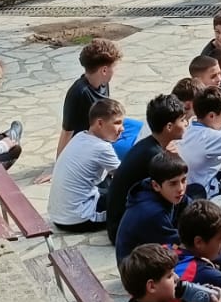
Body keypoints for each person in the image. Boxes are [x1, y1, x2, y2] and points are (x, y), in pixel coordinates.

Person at [105, 93, 189, 243]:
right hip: (124, 228)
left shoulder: (149, 145)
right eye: (182, 120)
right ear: (169, 127)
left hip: (117, 223)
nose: (186, 123)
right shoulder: (153, 156)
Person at [48, 96, 125, 230]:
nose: (122, 128)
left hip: (58, 216)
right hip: (79, 218)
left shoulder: (80, 136)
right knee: (134, 199)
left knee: (109, 181)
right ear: (100, 123)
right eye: (117, 123)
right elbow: (127, 176)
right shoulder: (102, 147)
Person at [113, 150, 191, 261]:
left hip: (154, 254)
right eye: (173, 183)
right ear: (156, 186)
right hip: (137, 267)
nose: (180, 188)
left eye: (183, 180)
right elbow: (182, 243)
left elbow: (195, 212)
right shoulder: (152, 213)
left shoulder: (170, 194)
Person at [58, 38, 123, 156]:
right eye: (114, 67)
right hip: (88, 143)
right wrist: (60, 161)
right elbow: (67, 132)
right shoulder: (78, 93)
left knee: (136, 128)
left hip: (104, 131)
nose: (116, 70)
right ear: (104, 70)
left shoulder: (104, 83)